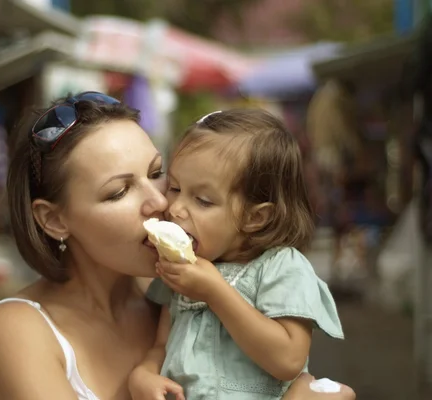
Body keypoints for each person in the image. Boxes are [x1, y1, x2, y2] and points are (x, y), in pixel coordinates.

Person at [0, 92, 356, 400]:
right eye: (119, 191)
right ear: (54, 220)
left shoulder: (174, 295)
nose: (163, 203)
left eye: (158, 174)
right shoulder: (19, 327)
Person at [128, 110, 344, 400]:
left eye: (203, 200)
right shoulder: (179, 272)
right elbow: (162, 344)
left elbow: (288, 360)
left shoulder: (280, 267)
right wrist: (143, 372)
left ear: (255, 218)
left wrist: (215, 292)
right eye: (175, 188)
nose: (176, 208)